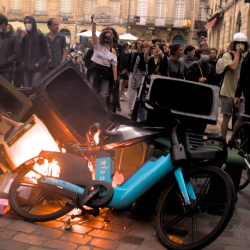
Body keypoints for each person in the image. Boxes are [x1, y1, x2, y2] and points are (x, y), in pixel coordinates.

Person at [220, 32, 249, 140]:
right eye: (238, 43)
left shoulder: (246, 57)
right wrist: (237, 53)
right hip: (228, 91)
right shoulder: (227, 55)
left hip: (240, 94)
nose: (241, 45)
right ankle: (222, 139)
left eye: (243, 43)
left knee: (241, 116)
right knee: (226, 116)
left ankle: (233, 138)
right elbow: (233, 67)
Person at [87, 15, 118, 106]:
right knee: (93, 91)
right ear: (102, 36)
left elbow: (114, 66)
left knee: (103, 94)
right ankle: (90, 111)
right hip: (95, 70)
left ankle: (101, 113)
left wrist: (115, 79)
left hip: (105, 73)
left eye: (109, 36)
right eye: (106, 36)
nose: (107, 38)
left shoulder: (113, 51)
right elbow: (93, 33)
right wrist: (94, 22)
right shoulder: (97, 45)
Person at [22, 15, 50, 87]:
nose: (27, 24)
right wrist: (23, 62)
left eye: (29, 22)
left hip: (37, 70)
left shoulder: (41, 36)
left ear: (33, 23)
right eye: (25, 23)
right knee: (27, 91)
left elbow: (47, 54)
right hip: (26, 70)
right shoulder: (25, 38)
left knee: (34, 91)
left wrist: (38, 64)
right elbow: (22, 52)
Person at [0, 14, 20, 83]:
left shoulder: (13, 36)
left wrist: (5, 62)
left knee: (6, 92)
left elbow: (16, 54)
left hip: (7, 70)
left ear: (3, 24)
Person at [127, 39, 144, 116]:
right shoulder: (133, 53)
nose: (140, 45)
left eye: (141, 43)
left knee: (138, 94)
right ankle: (131, 109)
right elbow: (128, 64)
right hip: (132, 75)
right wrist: (130, 73)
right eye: (138, 43)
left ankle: (136, 110)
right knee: (131, 94)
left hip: (140, 77)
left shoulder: (144, 55)